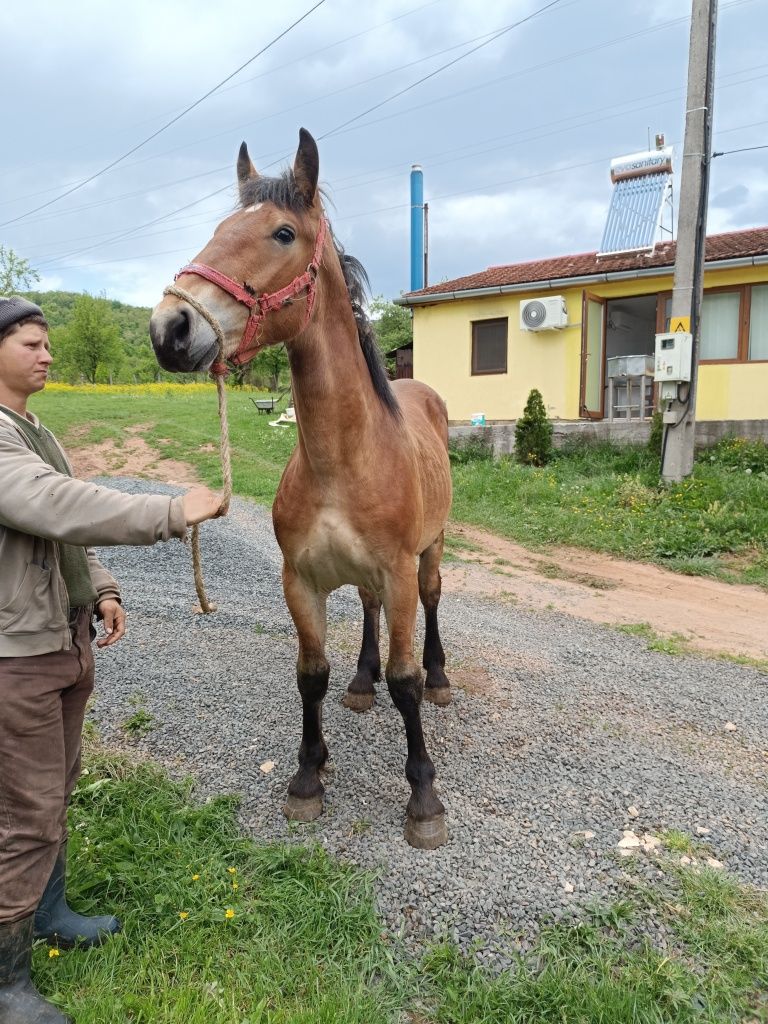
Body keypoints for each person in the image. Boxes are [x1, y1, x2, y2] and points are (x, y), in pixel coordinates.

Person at [0, 296, 223, 1023]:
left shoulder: (36, 430)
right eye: (32, 343)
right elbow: (54, 505)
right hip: (16, 656)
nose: (48, 354)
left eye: (47, 343)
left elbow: (66, 533)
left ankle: (48, 911)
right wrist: (165, 511)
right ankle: (6, 985)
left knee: (55, 790)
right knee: (24, 810)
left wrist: (101, 588)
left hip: (61, 641)